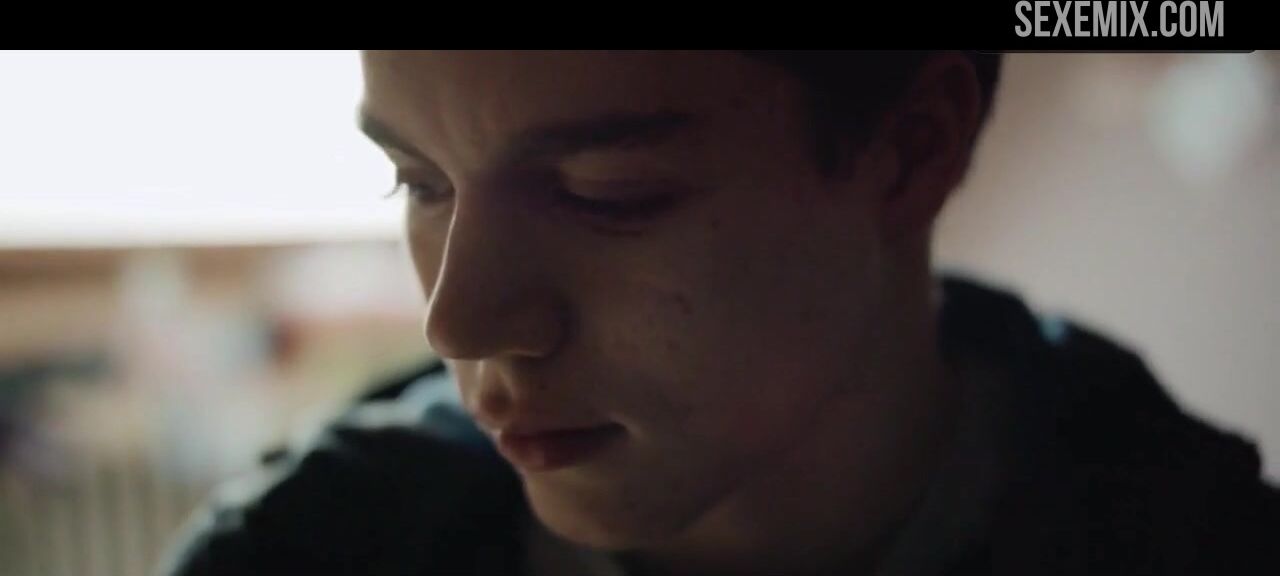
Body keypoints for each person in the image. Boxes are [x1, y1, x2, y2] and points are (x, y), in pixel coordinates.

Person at [158, 51, 1279, 576]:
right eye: (420, 183)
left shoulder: (1198, 545)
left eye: (607, 195)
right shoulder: (300, 557)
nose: (458, 323)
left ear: (910, 149)